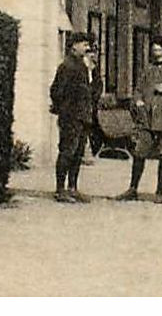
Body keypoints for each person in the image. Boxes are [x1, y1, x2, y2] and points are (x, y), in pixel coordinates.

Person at [119, 38, 162, 204]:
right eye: (154, 50)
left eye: (159, 50)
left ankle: (159, 191)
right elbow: (137, 89)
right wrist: (137, 100)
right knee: (139, 152)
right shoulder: (147, 69)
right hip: (147, 118)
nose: (156, 53)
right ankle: (133, 188)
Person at [49, 33, 94, 202]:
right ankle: (60, 189)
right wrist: (63, 108)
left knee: (77, 153)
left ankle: (72, 188)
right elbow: (56, 90)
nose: (87, 47)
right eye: (84, 44)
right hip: (71, 116)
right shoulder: (67, 66)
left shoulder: (82, 65)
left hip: (82, 116)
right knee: (67, 151)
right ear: (73, 46)